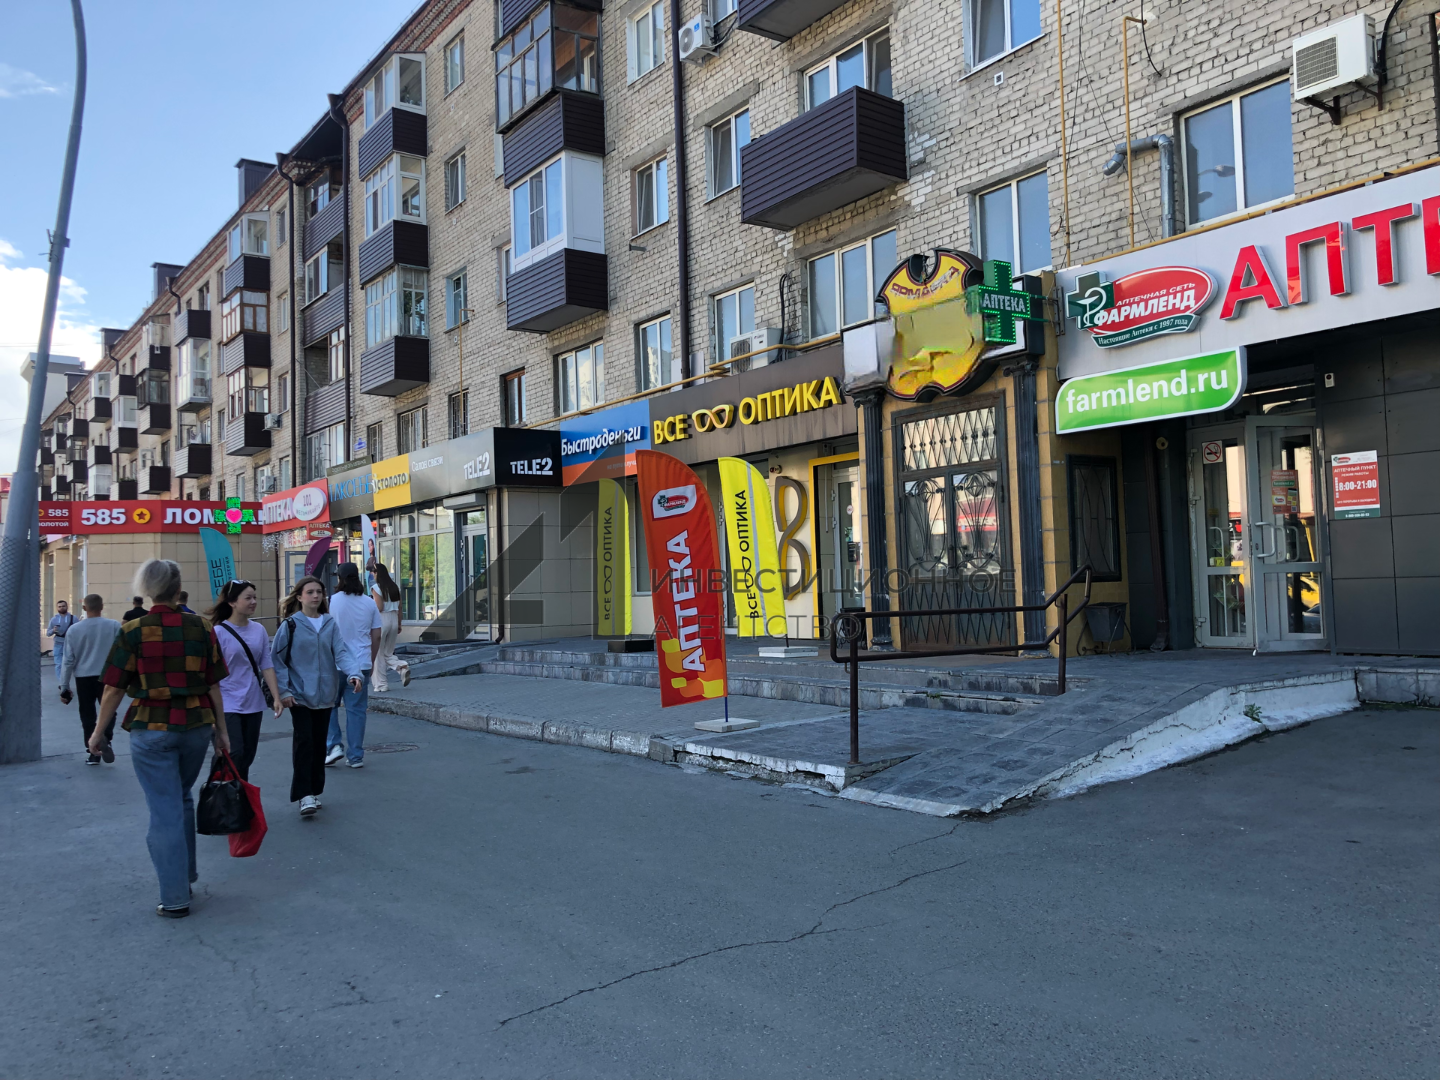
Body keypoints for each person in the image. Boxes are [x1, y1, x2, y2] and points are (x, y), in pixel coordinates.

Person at [90, 559, 230, 919]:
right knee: (181, 797)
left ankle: (174, 897)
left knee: (164, 808)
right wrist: (222, 731)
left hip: (151, 728)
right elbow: (214, 684)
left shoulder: (133, 630)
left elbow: (113, 689)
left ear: (148, 590)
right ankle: (186, 876)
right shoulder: (201, 627)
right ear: (178, 588)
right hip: (196, 726)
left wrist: (98, 732)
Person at [271, 576, 363, 818]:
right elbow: (277, 661)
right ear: (299, 597)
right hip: (299, 695)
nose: (315, 596)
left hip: (326, 694)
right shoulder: (290, 625)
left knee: (319, 744)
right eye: (310, 592)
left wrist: (354, 673)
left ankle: (313, 790)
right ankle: (304, 795)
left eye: (319, 592)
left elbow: (341, 652)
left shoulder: (329, 623)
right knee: (305, 743)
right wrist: (284, 691)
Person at [207, 580, 283, 781]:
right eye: (248, 598)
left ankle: (239, 794)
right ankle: (220, 791)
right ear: (232, 602)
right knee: (233, 752)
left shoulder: (258, 630)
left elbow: (266, 664)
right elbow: (209, 673)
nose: (253, 602)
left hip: (253, 702)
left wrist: (276, 697)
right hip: (227, 702)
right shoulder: (218, 632)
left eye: (255, 597)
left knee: (247, 756)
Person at [326, 562, 381, 768]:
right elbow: (377, 635)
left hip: (335, 664)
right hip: (361, 662)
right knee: (356, 710)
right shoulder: (369, 603)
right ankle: (356, 756)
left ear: (339, 578)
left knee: (329, 707)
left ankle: (333, 746)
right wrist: (371, 660)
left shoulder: (331, 601)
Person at [59, 594, 122, 764]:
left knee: (87, 714)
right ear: (102, 607)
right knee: (109, 709)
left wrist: (64, 686)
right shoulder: (114, 626)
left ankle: (93, 751)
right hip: (107, 675)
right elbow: (121, 652)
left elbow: (68, 660)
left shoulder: (74, 630)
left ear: (84, 608)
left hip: (83, 677)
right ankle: (106, 737)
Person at [369, 561, 410, 692]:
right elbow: (400, 607)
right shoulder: (394, 587)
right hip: (393, 619)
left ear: (377, 573)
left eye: (373, 572)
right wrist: (399, 623)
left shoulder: (376, 587)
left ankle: (381, 684)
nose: (372, 574)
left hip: (382, 620)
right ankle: (402, 667)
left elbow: (379, 607)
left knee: (377, 654)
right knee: (388, 652)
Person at [46, 600, 76, 685]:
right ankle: (62, 683)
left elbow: (79, 631)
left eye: (63, 606)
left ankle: (66, 681)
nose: (61, 608)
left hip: (70, 644)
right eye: (59, 606)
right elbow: (48, 633)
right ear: (57, 608)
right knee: (59, 664)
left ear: (67, 607)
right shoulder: (54, 619)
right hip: (58, 644)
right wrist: (53, 630)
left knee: (70, 664)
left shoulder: (73, 618)